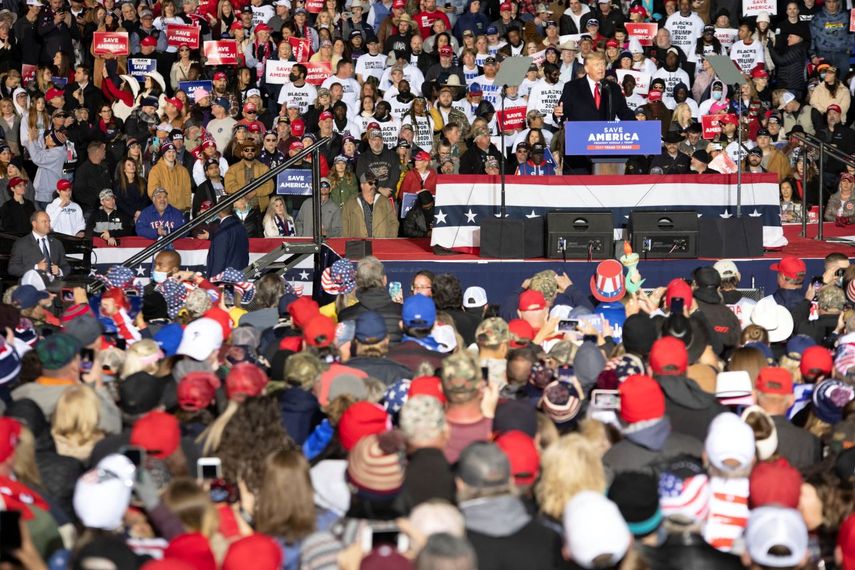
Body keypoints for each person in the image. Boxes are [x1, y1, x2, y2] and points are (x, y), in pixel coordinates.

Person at [8, 210, 71, 278]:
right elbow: (12, 269)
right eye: (44, 221)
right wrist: (36, 267)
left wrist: (59, 271)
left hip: (54, 286)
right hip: (32, 286)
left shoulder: (57, 243)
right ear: (34, 224)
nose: (48, 224)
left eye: (49, 221)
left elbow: (66, 267)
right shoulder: (21, 244)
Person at [342, 171, 399, 238]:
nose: (374, 186)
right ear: (362, 185)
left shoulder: (385, 201)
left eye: (375, 183)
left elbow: (394, 222)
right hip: (358, 245)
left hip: (381, 245)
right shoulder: (351, 203)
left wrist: (390, 240)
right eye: (370, 183)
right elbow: (344, 225)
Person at [207, 206, 249, 277]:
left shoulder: (222, 230)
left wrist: (214, 280)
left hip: (225, 278)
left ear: (219, 210)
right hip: (240, 273)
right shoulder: (240, 226)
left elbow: (219, 258)